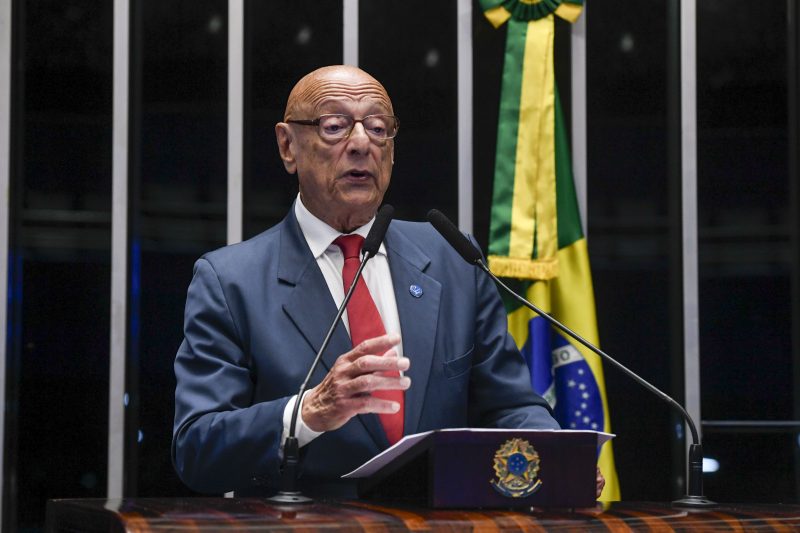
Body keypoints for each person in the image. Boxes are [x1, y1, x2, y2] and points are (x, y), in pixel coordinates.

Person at [172, 65, 603, 498]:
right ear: (288, 146)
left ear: (392, 150)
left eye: (378, 128)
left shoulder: (453, 260)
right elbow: (197, 448)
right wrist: (309, 412)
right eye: (335, 126)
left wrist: (559, 456)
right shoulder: (231, 282)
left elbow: (510, 406)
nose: (361, 144)